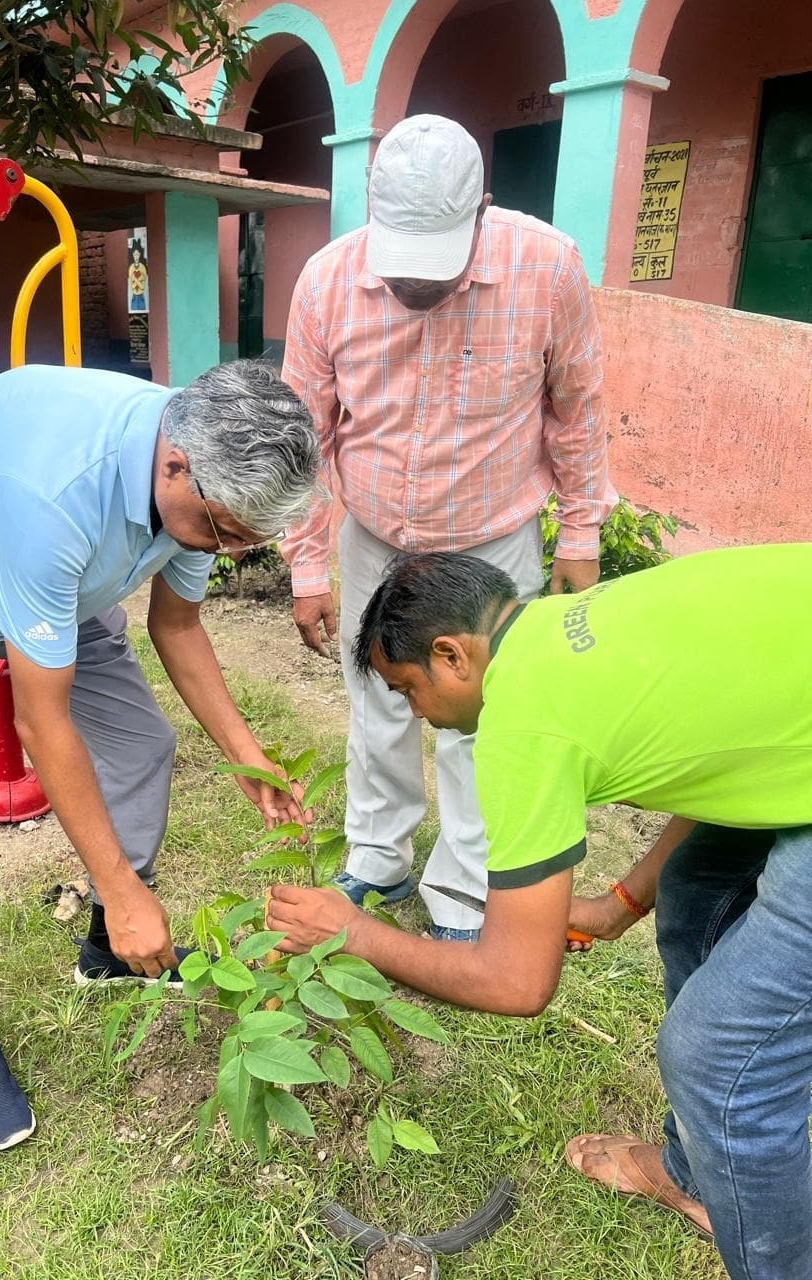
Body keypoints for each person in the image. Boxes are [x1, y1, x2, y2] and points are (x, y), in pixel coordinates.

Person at [267, 544, 812, 1280]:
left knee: (715, 1059)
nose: (416, 714)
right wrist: (620, 905)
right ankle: (696, 1172)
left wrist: (355, 933)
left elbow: (518, 983)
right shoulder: (574, 621)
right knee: (698, 890)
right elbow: (723, 759)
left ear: (451, 655)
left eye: (407, 690)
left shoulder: (521, 723)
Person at [0, 360, 320, 1152]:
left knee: (144, 744)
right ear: (175, 465)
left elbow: (178, 626)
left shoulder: (204, 481)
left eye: (248, 539)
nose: (233, 552)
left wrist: (251, 758)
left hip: (52, 589)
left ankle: (106, 949)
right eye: (225, 533)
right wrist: (124, 884)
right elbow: (43, 724)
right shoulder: (55, 490)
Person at [280, 113, 615, 941]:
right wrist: (307, 567)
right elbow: (304, 439)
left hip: (490, 537)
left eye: (435, 263)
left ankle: (465, 885)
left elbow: (577, 410)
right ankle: (378, 856)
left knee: (484, 712)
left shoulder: (548, 267)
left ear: (481, 211)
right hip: (375, 534)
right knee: (378, 697)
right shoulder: (325, 282)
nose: (413, 286)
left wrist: (580, 535)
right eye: (401, 264)